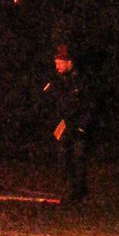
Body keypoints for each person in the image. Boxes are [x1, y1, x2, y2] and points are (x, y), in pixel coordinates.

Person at [45, 45, 91, 205]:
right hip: (65, 126)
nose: (57, 66)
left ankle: (79, 193)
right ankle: (69, 191)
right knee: (64, 158)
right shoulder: (57, 81)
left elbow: (88, 105)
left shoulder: (81, 81)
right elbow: (54, 104)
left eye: (59, 63)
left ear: (69, 62)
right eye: (56, 63)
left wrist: (82, 126)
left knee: (78, 158)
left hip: (77, 126)